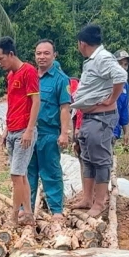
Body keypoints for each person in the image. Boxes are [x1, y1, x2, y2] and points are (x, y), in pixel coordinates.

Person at [69, 24, 129, 219]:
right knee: (87, 158)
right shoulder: (92, 60)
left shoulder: (103, 58)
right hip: (89, 117)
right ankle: (87, 199)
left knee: (101, 162)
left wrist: (112, 99)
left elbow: (121, 75)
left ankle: (99, 202)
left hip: (100, 118)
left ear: (82, 43)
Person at [0, 36, 41, 226]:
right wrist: (6, 128)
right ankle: (27, 213)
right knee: (20, 175)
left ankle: (14, 216)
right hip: (13, 130)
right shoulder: (11, 76)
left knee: (16, 175)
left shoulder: (28, 72)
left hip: (23, 132)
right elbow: (12, 104)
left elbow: (36, 101)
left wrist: (29, 130)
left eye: (0, 58)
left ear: (11, 54)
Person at [31, 39, 74, 214]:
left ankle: (56, 210)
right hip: (29, 133)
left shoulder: (61, 80)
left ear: (54, 55)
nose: (42, 57)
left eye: (46, 53)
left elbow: (65, 108)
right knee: (28, 173)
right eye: (39, 53)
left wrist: (64, 133)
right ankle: (26, 209)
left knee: (51, 173)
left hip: (49, 133)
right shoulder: (30, 77)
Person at [113, 50, 129, 151]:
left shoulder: (125, 86)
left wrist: (126, 133)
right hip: (103, 131)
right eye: (120, 64)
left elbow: (124, 110)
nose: (123, 67)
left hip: (115, 132)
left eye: (125, 64)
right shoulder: (106, 83)